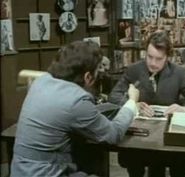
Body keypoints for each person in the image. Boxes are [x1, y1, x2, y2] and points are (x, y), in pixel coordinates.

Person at [10, 40, 140, 177]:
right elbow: (113, 134)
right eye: (97, 71)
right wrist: (131, 102)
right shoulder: (76, 100)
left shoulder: (41, 81)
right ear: (88, 77)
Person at [108, 31, 185, 177]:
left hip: (166, 135)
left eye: (159, 59)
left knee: (176, 163)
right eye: (149, 57)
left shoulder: (178, 73)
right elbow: (113, 96)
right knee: (134, 162)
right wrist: (133, 104)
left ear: (168, 57)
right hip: (139, 136)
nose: (153, 63)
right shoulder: (134, 70)